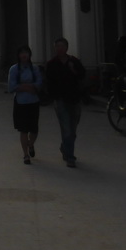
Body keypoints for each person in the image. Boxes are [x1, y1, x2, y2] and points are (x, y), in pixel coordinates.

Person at [45, 37, 86, 167]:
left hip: (74, 99)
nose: (59, 49)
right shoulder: (52, 64)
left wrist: (73, 70)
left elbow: (82, 76)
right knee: (66, 128)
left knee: (73, 128)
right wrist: (53, 96)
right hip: (60, 99)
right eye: (57, 46)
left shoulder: (74, 61)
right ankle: (70, 157)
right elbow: (48, 82)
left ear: (66, 48)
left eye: (62, 46)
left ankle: (65, 147)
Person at [7, 45, 42, 165]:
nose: (24, 55)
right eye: (21, 53)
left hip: (33, 102)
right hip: (20, 103)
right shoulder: (14, 69)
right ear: (18, 55)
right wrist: (28, 87)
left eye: (26, 53)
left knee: (34, 129)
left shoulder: (35, 69)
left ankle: (30, 144)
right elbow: (11, 87)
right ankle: (25, 154)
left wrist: (22, 86)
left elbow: (39, 84)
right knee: (23, 130)